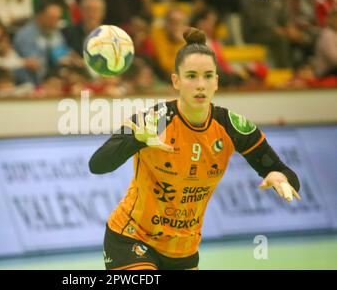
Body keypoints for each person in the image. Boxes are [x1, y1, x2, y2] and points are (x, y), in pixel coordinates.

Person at [88, 27, 301, 270]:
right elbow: (97, 164)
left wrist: (277, 175)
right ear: (176, 81)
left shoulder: (232, 127)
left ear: (217, 82)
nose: (200, 85)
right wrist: (136, 139)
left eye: (208, 76)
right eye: (191, 76)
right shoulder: (153, 120)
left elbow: (285, 174)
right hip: (131, 238)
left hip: (183, 250)